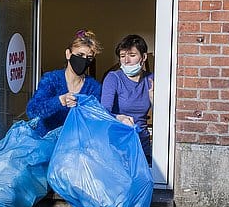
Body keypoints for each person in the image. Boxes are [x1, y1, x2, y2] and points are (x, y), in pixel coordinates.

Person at [26, 29, 103, 136]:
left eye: (89, 58)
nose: (84, 60)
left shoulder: (93, 87)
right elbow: (32, 111)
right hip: (46, 141)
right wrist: (60, 101)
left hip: (76, 143)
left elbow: (99, 116)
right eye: (80, 55)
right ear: (68, 54)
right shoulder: (51, 79)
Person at [101, 34, 154, 165]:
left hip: (142, 145)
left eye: (132, 55)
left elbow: (166, 120)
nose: (126, 61)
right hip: (118, 145)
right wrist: (120, 118)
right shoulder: (113, 78)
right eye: (123, 56)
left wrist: (153, 100)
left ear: (144, 57)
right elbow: (103, 112)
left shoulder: (151, 79)